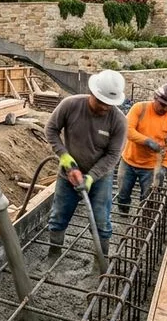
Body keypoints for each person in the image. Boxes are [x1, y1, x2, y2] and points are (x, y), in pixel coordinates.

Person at [45, 70, 127, 258]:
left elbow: (114, 155)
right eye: (101, 102)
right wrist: (65, 158)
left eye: (109, 104)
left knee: (101, 222)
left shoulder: (119, 121)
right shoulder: (70, 105)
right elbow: (50, 130)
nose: (105, 107)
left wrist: (91, 177)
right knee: (58, 216)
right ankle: (54, 253)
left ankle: (100, 261)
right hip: (68, 175)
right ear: (92, 92)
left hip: (99, 178)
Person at [116, 83, 167, 213]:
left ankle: (141, 224)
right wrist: (147, 141)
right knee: (122, 195)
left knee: (147, 200)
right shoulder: (140, 108)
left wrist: (165, 166)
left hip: (151, 167)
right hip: (129, 161)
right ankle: (123, 212)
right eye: (162, 104)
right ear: (155, 98)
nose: (165, 109)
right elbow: (127, 130)